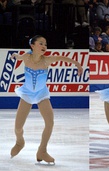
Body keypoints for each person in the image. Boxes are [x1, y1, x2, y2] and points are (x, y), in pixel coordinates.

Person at [10, 35, 84, 165]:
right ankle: (19, 142)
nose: (44, 46)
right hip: (27, 93)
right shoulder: (27, 57)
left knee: (50, 122)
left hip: (41, 93)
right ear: (32, 46)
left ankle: (42, 151)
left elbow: (62, 58)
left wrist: (77, 64)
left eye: (45, 44)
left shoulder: (47, 60)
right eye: (41, 43)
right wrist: (15, 55)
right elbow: (18, 56)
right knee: (18, 127)